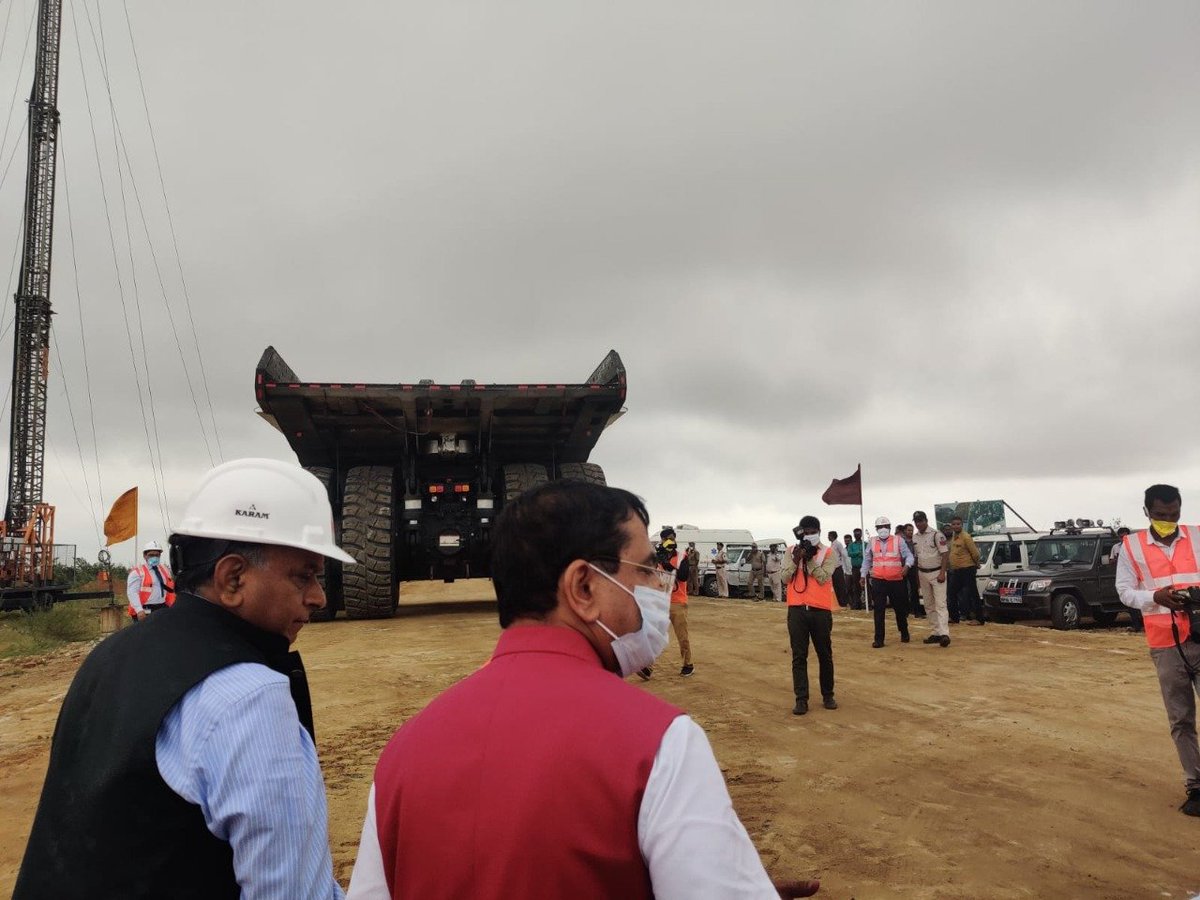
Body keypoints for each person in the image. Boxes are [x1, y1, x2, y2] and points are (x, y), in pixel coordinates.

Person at [345, 480, 813, 899]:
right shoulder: (661, 744)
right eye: (645, 571)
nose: (657, 588)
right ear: (584, 588)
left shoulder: (402, 753)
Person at [14, 458, 355, 899]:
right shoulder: (248, 698)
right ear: (233, 578)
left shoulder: (110, 655)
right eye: (303, 576)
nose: (318, 597)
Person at [1115, 484, 1200, 818]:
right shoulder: (1131, 546)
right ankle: (1195, 786)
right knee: (1181, 719)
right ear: (1147, 511)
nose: (1169, 520)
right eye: (1162, 515)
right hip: (1165, 644)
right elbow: (1124, 591)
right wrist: (1155, 597)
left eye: (1174, 514)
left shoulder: (1196, 537)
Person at [788, 517, 838, 715]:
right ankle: (801, 699)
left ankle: (828, 695)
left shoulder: (828, 552)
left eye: (812, 531)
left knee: (824, 655)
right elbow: (784, 577)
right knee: (799, 656)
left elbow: (824, 577)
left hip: (820, 610)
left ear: (819, 530)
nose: (809, 535)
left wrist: (809, 560)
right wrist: (795, 561)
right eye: (805, 531)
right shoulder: (791, 551)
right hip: (797, 609)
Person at [861, 516, 914, 648]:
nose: (882, 529)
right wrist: (863, 575)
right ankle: (879, 639)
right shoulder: (872, 542)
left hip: (896, 580)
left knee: (899, 609)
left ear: (889, 528)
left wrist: (907, 566)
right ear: (876, 529)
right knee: (878, 610)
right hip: (879, 580)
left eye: (885, 527)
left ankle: (904, 631)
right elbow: (867, 560)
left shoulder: (898, 540)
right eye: (880, 527)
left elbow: (909, 555)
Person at [912, 511, 951, 647]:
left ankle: (944, 634)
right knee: (928, 605)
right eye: (916, 521)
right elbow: (917, 557)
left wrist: (942, 572)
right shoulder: (915, 537)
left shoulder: (936, 534)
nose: (918, 524)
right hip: (922, 573)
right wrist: (918, 576)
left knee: (940, 604)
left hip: (936, 572)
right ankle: (936, 632)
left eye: (921, 521)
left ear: (926, 520)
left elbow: (945, 554)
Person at [660, 527, 695, 676]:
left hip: (677, 601)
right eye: (667, 538)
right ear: (662, 541)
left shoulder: (682, 556)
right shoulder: (658, 557)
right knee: (653, 634)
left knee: (682, 636)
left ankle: (688, 664)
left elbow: (683, 576)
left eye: (672, 537)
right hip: (661, 600)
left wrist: (668, 565)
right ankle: (647, 665)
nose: (670, 540)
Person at [126, 539, 176, 620]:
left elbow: (170, 589)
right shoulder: (137, 573)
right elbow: (132, 593)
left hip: (162, 607)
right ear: (145, 556)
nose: (155, 557)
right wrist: (139, 610)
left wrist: (173, 606)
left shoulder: (165, 570)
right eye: (151, 555)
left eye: (157, 555)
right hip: (144, 610)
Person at [948, 516, 984, 625]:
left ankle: (979, 619)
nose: (956, 526)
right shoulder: (954, 536)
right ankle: (954, 617)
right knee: (951, 593)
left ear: (962, 525)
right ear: (951, 525)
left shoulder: (966, 537)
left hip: (967, 569)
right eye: (954, 524)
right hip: (957, 570)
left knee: (973, 594)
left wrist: (976, 563)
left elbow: (976, 553)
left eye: (958, 524)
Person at [1112, 527, 1143, 632]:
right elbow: (1112, 561)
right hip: (1125, 577)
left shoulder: (1137, 546)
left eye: (1125, 536)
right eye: (1121, 537)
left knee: (1143, 601)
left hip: (1139, 576)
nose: (1123, 538)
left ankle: (1146, 625)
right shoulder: (1116, 547)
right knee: (1131, 602)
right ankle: (1136, 626)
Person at [900, 523, 924, 617]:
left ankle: (917, 611)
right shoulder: (901, 541)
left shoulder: (915, 540)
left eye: (911, 530)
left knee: (914, 589)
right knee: (903, 590)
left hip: (913, 567)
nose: (910, 532)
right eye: (908, 530)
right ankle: (905, 611)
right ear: (904, 531)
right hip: (903, 567)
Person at [827, 530, 850, 608]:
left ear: (832, 536)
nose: (828, 537)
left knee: (840, 585)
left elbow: (844, 554)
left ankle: (843, 602)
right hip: (833, 567)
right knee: (835, 585)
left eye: (829, 535)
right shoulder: (832, 545)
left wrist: (845, 565)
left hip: (838, 567)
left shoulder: (838, 544)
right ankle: (838, 601)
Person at [846, 528, 865, 609]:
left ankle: (869, 605)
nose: (857, 535)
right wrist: (858, 553)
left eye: (858, 533)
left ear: (861, 534)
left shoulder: (865, 544)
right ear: (854, 535)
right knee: (856, 587)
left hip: (864, 568)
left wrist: (859, 554)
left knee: (866, 587)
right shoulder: (851, 545)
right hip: (855, 568)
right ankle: (857, 605)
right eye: (855, 533)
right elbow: (850, 553)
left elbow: (867, 553)